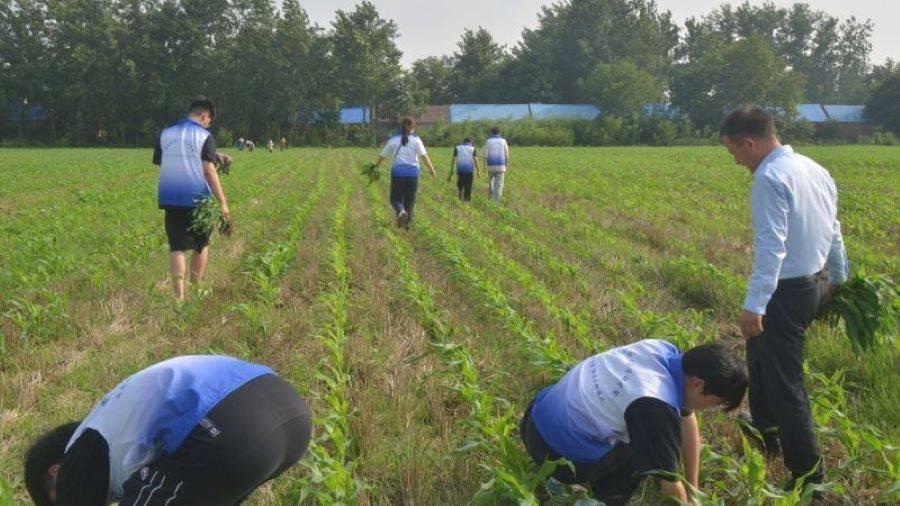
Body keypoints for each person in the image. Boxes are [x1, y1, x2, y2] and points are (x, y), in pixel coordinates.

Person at [721, 107, 848, 495]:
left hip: (786, 293)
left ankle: (810, 477)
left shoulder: (769, 177)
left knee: (785, 383)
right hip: (815, 285)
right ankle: (766, 432)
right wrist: (839, 281)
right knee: (760, 359)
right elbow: (834, 232)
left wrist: (755, 305)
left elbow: (771, 249)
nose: (737, 161)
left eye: (734, 153)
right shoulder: (814, 169)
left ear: (749, 143)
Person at [24, 355, 312, 505]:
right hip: (290, 413)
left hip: (227, 427)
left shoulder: (79, 453)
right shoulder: (108, 427)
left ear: (55, 473)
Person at [520, 339, 748, 505]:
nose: (709, 409)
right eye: (713, 403)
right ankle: (597, 495)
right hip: (556, 455)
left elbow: (687, 419)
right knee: (644, 448)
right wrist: (681, 496)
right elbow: (669, 486)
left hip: (534, 418)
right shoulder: (654, 405)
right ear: (697, 384)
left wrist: (693, 491)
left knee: (651, 435)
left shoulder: (663, 350)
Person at [153, 97, 230, 301]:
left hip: (171, 198)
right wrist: (222, 202)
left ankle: (178, 298)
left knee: (177, 246)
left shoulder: (165, 134)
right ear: (204, 115)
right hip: (198, 201)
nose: (208, 124)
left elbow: (163, 165)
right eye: (209, 120)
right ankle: (196, 290)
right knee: (201, 244)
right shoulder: (205, 136)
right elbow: (209, 170)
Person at [372, 117, 437, 229]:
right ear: (410, 127)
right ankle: (408, 226)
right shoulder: (416, 140)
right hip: (412, 174)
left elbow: (382, 155)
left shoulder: (393, 140)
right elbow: (424, 156)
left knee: (395, 199)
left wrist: (375, 166)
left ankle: (401, 211)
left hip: (398, 173)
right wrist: (431, 169)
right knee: (409, 201)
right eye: (413, 127)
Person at [448, 137, 480, 201]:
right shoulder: (472, 148)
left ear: (463, 141)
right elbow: (476, 160)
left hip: (460, 170)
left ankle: (460, 195)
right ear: (470, 142)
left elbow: (453, 159)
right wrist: (478, 171)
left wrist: (451, 170)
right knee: (468, 186)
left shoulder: (457, 148)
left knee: (460, 183)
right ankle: (466, 200)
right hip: (469, 170)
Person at [482, 126, 510, 201]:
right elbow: (507, 154)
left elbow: (485, 154)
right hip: (501, 166)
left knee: (491, 183)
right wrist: (507, 165)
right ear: (499, 132)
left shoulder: (488, 141)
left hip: (490, 166)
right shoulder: (503, 141)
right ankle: (497, 200)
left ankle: (490, 198)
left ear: (491, 132)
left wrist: (484, 165)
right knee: (499, 184)